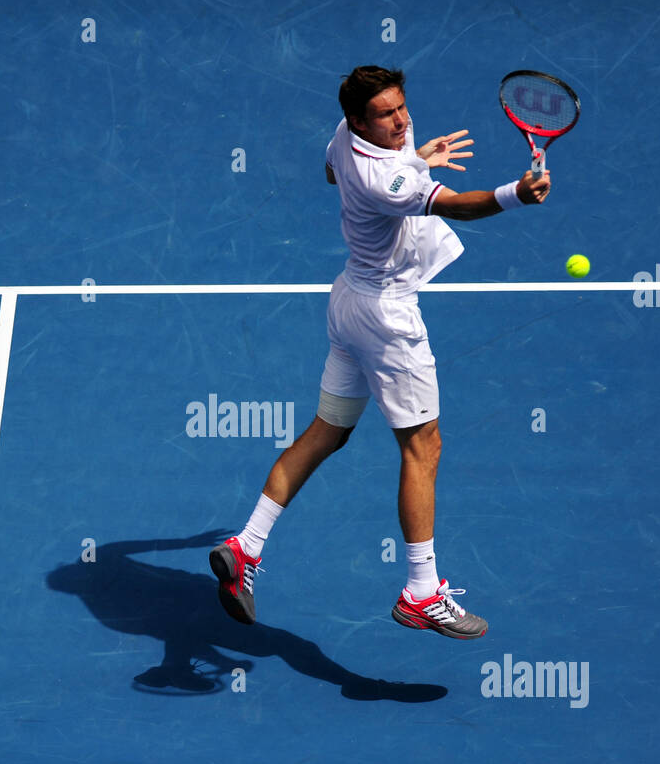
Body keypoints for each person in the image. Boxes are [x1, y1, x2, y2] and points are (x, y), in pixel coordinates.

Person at [210, 65, 550, 639]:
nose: (402, 120)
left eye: (401, 107)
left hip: (348, 302)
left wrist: (412, 156)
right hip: (388, 321)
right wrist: (517, 194)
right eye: (387, 115)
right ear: (357, 120)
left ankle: (245, 548)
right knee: (424, 446)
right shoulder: (389, 183)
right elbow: (459, 206)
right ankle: (421, 592)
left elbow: (330, 172)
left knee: (327, 432)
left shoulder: (342, 142)